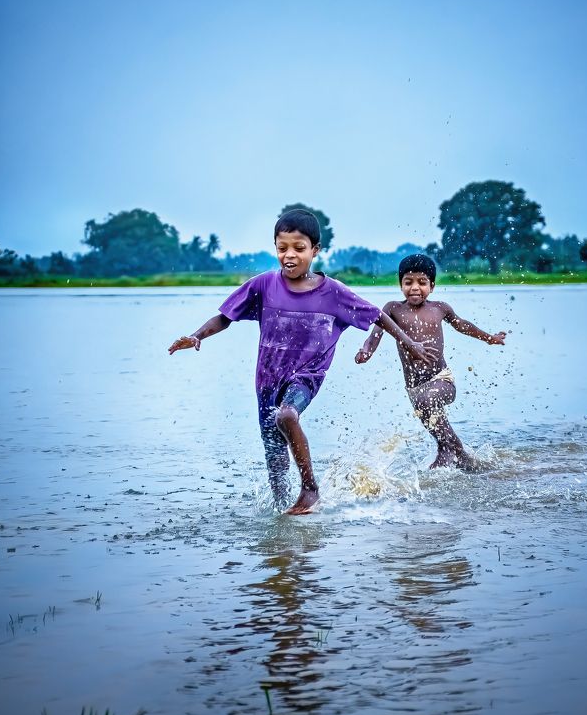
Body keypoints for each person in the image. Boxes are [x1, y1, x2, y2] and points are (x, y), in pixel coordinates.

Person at [168, 211, 439, 514]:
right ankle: (285, 516)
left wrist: (410, 342)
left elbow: (377, 314)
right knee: (275, 459)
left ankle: (310, 489)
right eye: (282, 248)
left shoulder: (333, 292)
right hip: (267, 380)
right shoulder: (263, 285)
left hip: (306, 376)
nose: (289, 255)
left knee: (286, 416)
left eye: (298, 248)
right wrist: (197, 336)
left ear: (315, 251)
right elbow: (225, 317)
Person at [355, 253, 506, 470]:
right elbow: (376, 332)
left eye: (422, 282)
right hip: (414, 388)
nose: (415, 287)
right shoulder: (392, 309)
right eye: (408, 282)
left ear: (432, 286)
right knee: (438, 431)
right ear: (400, 285)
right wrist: (366, 351)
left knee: (429, 406)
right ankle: (460, 459)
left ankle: (457, 453)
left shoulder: (440, 308)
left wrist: (489, 338)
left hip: (441, 379)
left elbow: (462, 325)